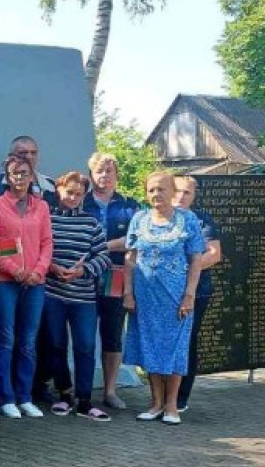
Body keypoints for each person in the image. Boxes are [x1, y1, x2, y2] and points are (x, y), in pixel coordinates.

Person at [123, 171, 206, 424]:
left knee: (174, 348)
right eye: (151, 190)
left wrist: (189, 295)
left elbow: (196, 259)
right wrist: (128, 293)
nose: (156, 194)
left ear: (172, 191)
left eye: (161, 189)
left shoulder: (188, 219)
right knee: (149, 346)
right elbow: (130, 258)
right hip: (146, 297)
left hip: (175, 298)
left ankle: (172, 405)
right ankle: (156, 403)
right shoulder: (139, 219)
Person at [0, 154, 54, 419]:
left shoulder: (42, 206)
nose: (20, 178)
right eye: (15, 173)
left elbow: (47, 242)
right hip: (5, 282)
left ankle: (25, 396)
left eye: (25, 173)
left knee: (28, 341)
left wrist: (38, 271)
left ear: (32, 175)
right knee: (6, 339)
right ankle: (6, 397)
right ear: (7, 177)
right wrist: (15, 269)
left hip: (35, 282)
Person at [42, 172, 111, 421]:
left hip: (84, 298)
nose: (73, 198)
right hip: (53, 294)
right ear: (59, 190)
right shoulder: (47, 219)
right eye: (69, 192)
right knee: (56, 345)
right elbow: (37, 250)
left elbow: (103, 257)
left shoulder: (91, 223)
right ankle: (64, 394)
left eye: (78, 194)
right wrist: (52, 266)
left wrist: (83, 270)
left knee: (85, 347)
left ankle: (85, 400)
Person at [83, 152, 141, 409]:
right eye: (99, 171)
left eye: (109, 171)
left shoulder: (129, 206)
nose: (104, 176)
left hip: (117, 275)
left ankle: (109, 391)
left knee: (113, 334)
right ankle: (82, 391)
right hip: (85, 275)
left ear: (117, 175)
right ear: (91, 175)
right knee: (84, 335)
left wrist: (103, 246)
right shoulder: (81, 203)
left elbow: (136, 239)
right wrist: (117, 243)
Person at [174, 175, 223, 413]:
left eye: (187, 192)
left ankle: (181, 397)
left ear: (194, 196)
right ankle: (160, 397)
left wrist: (180, 269)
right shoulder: (155, 219)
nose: (181, 196)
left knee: (187, 341)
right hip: (162, 293)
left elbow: (213, 254)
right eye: (177, 191)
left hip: (196, 292)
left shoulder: (202, 221)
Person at [0, 136, 57, 206]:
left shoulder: (50, 185)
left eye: (33, 153)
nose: (29, 157)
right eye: (23, 152)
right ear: (10, 156)